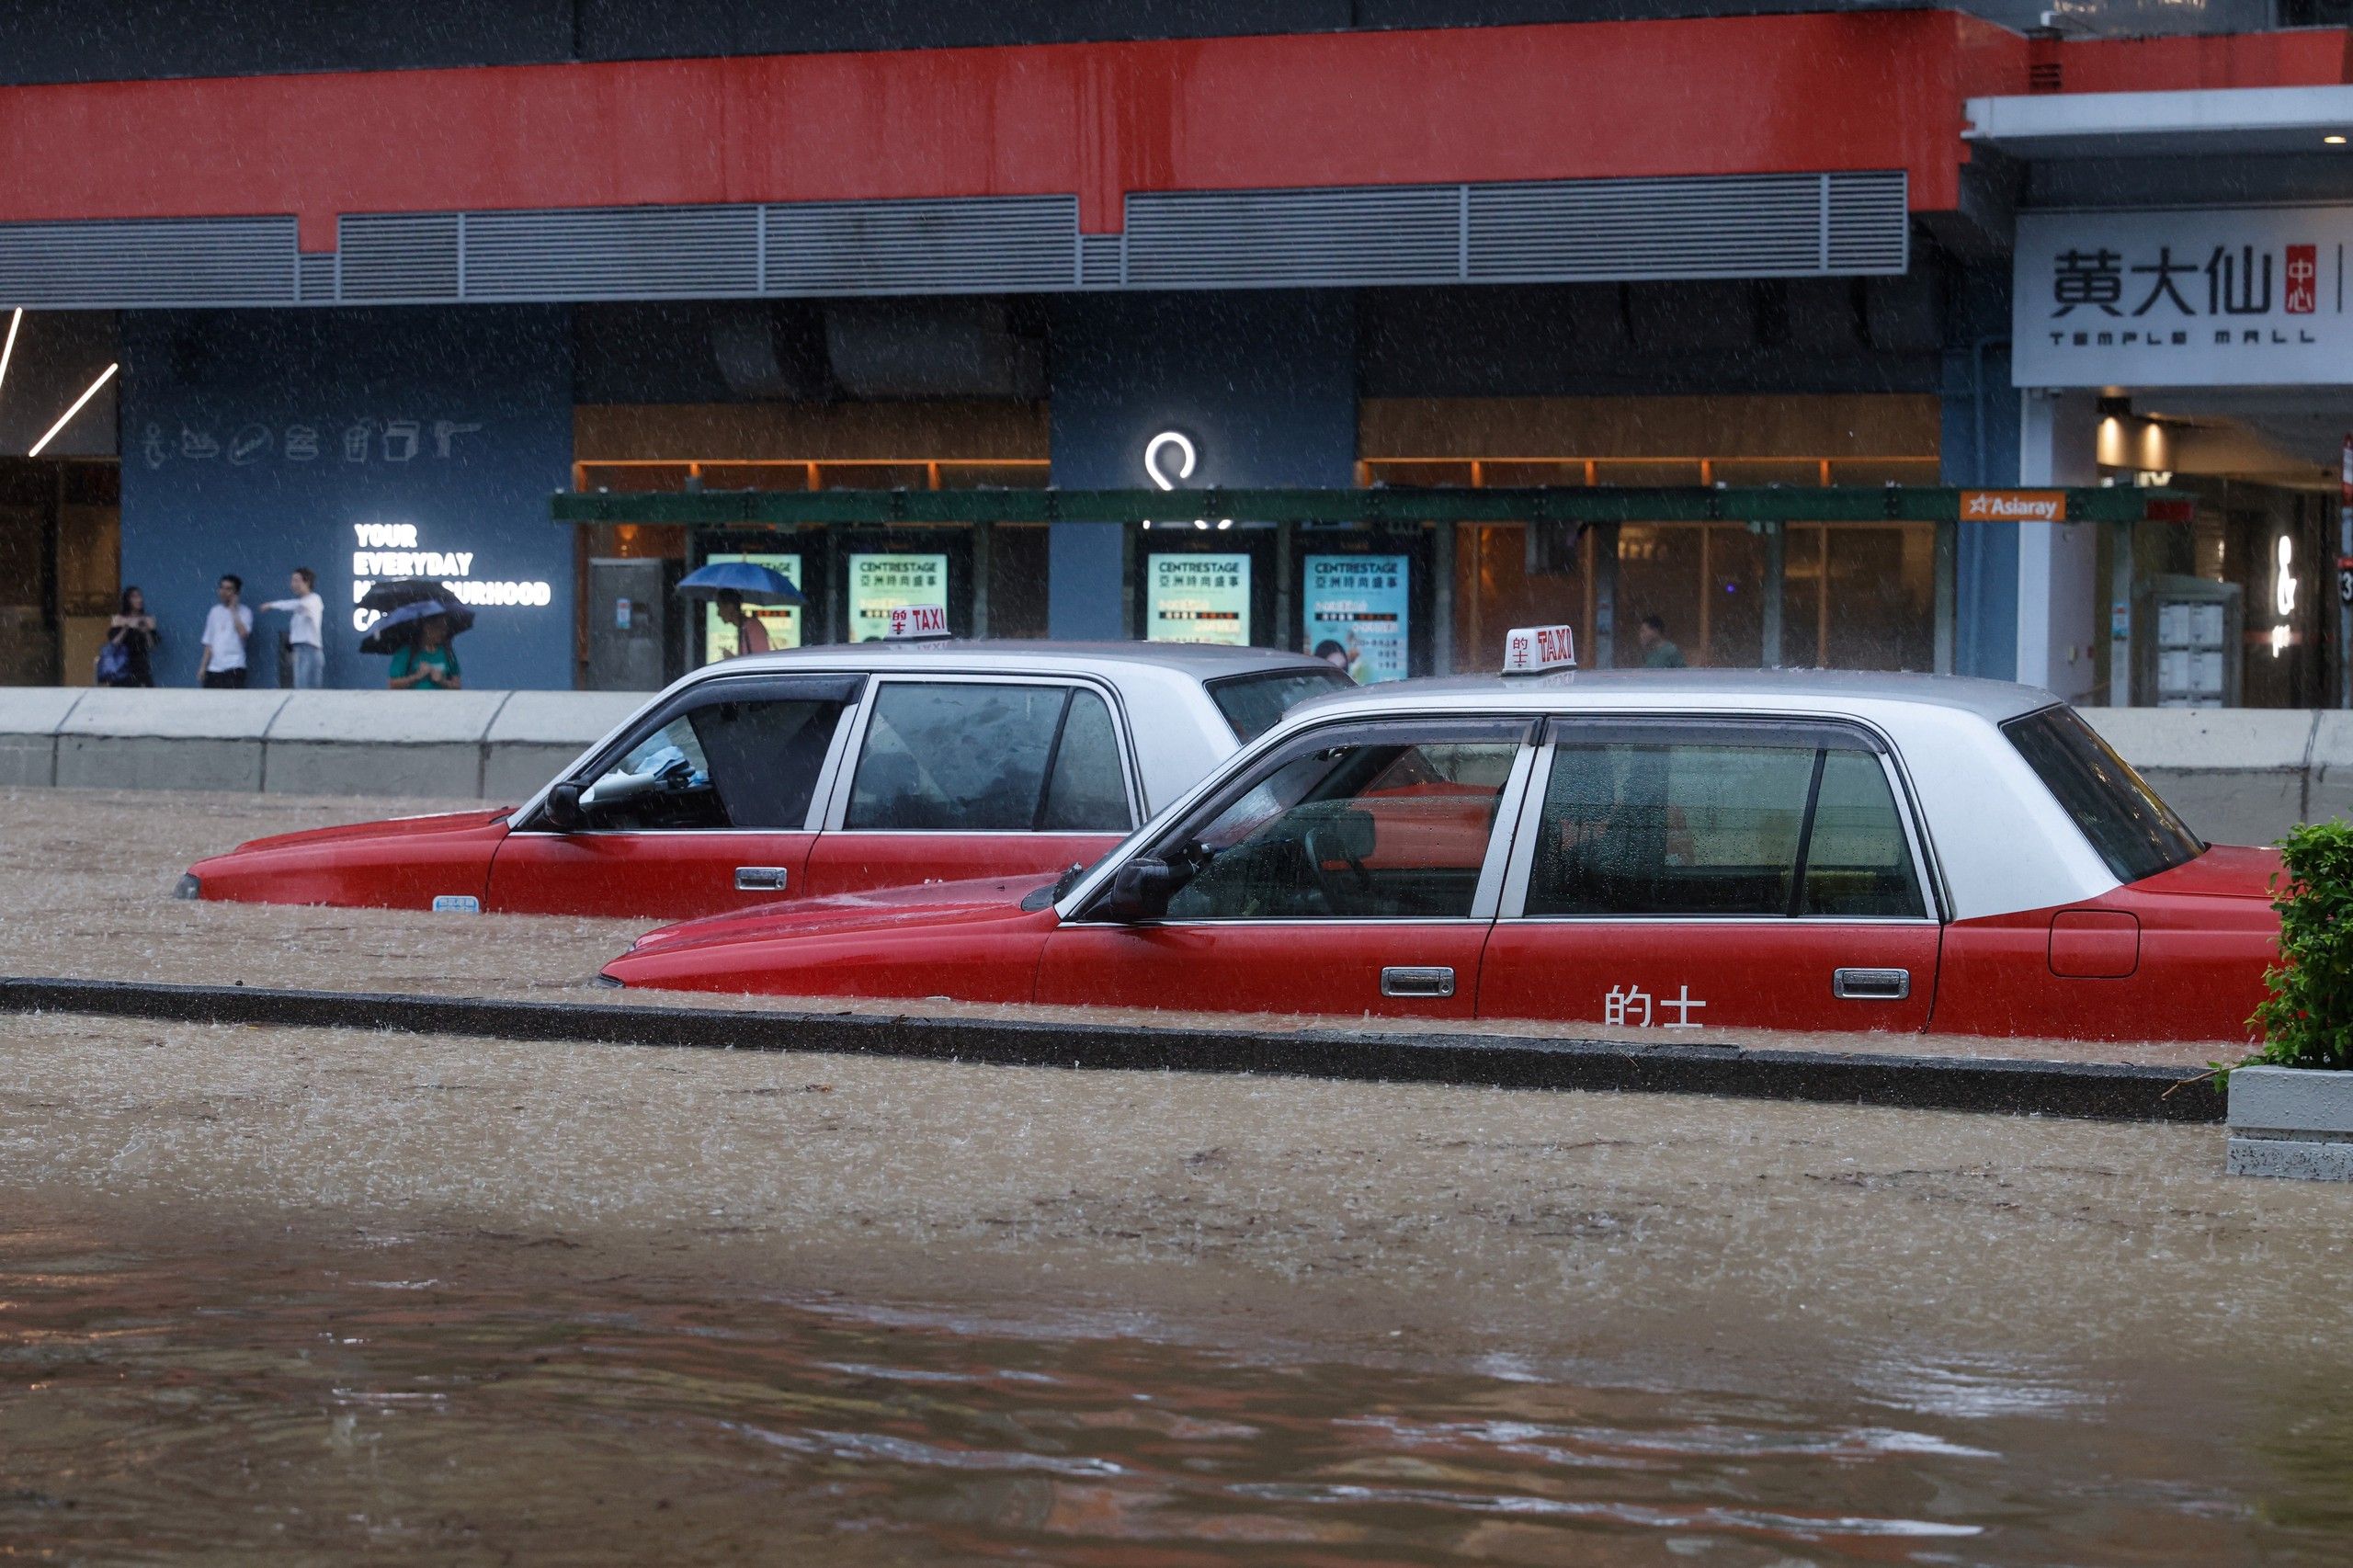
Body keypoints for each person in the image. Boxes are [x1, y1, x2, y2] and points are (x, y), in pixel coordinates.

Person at [259, 567, 325, 688]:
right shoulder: (301, 605)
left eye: (297, 580)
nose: (293, 584)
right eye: (292, 581)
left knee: (308, 692)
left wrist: (272, 605)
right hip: (300, 650)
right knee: (300, 690)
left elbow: (298, 605)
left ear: (307, 582)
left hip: (310, 651)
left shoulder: (314, 599)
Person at [197, 574, 253, 688]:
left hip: (235, 667)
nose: (223, 592)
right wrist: (203, 667)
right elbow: (209, 643)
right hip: (214, 669)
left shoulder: (245, 612)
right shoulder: (214, 612)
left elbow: (243, 634)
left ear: (236, 592)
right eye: (222, 588)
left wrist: (233, 610)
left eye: (228, 589)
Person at [98, 585, 159, 687]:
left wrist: (146, 632)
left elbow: (152, 646)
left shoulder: (148, 620)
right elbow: (114, 643)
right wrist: (125, 629)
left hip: (140, 664)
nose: (139, 600)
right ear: (127, 600)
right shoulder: (119, 619)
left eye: (140, 596)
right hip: (122, 664)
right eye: (134, 597)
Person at [388, 613, 462, 690]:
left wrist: (442, 681)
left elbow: (457, 686)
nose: (443, 632)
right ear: (426, 627)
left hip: (442, 701)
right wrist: (416, 677)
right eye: (439, 628)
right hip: (412, 701)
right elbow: (392, 684)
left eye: (445, 628)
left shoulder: (448, 653)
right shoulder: (406, 652)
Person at [714, 589, 771, 657]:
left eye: (720, 607)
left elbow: (760, 661)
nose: (718, 613)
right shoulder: (743, 627)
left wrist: (732, 659)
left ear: (730, 607)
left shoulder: (753, 627)